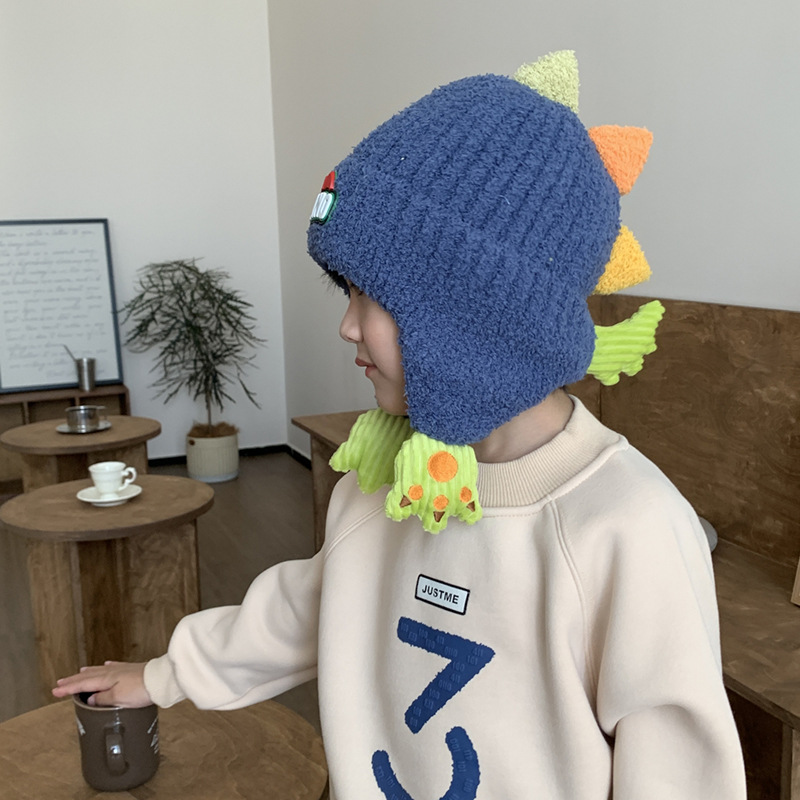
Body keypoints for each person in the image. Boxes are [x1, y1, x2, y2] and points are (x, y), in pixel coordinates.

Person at [53, 50, 746, 799]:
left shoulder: (630, 528)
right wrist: (164, 675)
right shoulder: (386, 481)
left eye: (373, 297)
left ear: (473, 311)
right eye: (346, 293)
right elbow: (314, 605)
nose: (347, 327)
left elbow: (681, 772)